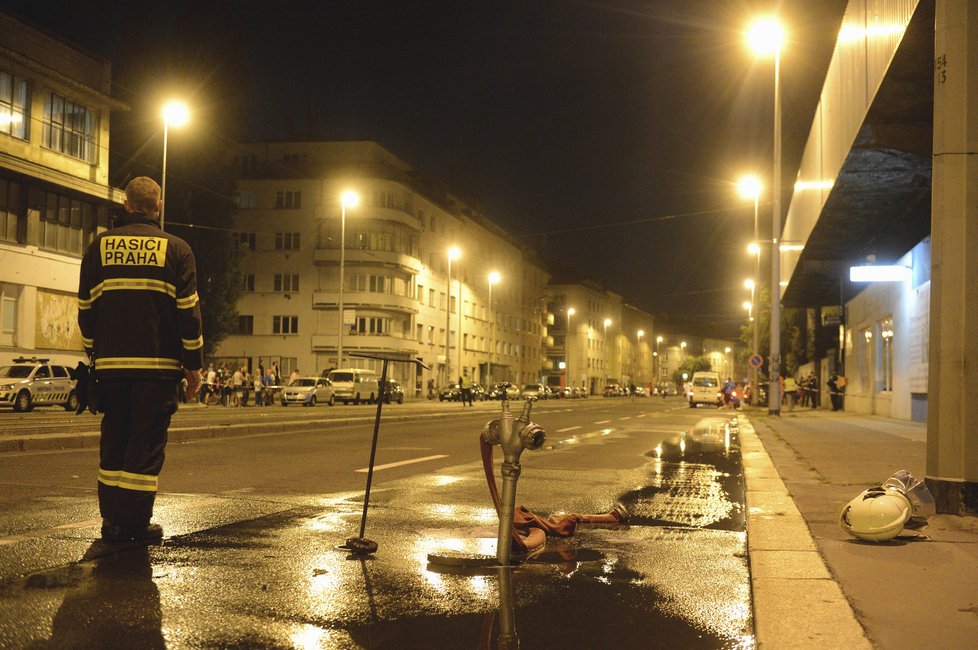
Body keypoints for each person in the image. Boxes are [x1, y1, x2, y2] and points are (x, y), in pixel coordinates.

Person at [77, 176, 202, 544]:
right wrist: (192, 364)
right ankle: (133, 524)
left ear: (127, 204)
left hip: (111, 370)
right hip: (157, 369)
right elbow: (188, 314)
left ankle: (112, 519)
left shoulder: (98, 248)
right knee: (145, 445)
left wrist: (95, 355)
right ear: (157, 206)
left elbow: (86, 310)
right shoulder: (177, 250)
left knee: (113, 440)